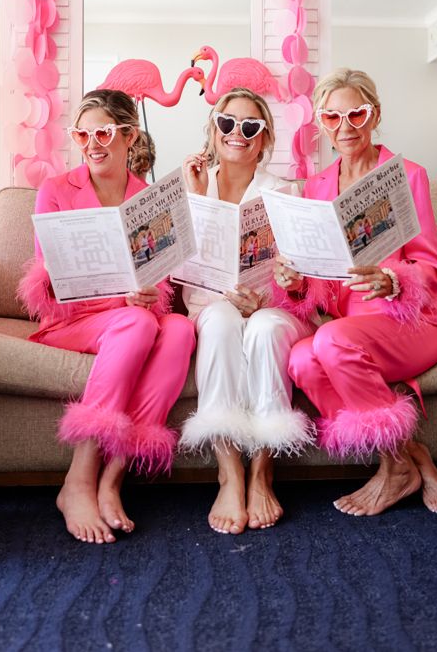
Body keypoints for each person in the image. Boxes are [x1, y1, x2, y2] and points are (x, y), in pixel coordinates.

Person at [275, 68, 437, 517]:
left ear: (374, 114)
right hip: (350, 326)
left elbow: (432, 268)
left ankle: (395, 471)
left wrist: (393, 280)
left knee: (330, 340)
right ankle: (411, 459)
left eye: (355, 114)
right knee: (301, 360)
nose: (345, 127)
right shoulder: (316, 186)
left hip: (412, 321)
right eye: (332, 117)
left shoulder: (407, 175)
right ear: (321, 123)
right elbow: (321, 280)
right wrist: (297, 283)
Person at [19, 89, 195, 544]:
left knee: (178, 328)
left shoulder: (150, 199)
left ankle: (113, 476)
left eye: (103, 133)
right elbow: (46, 285)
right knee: (137, 323)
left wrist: (151, 292)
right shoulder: (56, 190)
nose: (92, 144)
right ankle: (78, 478)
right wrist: (59, 276)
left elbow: (162, 280)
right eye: (82, 134)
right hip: (73, 321)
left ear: (129, 136)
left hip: (132, 316)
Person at [181, 87, 315, 535]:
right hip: (212, 306)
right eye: (227, 122)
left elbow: (304, 281)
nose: (237, 132)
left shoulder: (284, 192)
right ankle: (229, 471)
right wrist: (198, 199)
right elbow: (178, 274)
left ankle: (262, 469)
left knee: (263, 328)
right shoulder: (191, 185)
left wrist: (269, 299)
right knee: (221, 322)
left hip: (272, 309)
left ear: (264, 138)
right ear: (213, 130)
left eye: (250, 125)